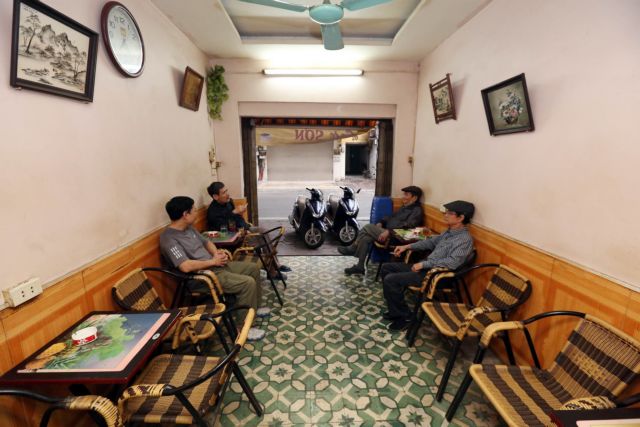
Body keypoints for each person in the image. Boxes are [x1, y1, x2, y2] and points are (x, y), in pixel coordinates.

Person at [160, 196, 268, 340]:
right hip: (202, 276)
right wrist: (213, 262)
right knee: (247, 283)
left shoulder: (189, 228)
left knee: (253, 268)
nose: (196, 212)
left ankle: (254, 308)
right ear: (185, 214)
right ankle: (243, 328)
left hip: (215, 266)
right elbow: (185, 266)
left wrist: (216, 253)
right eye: (193, 210)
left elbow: (206, 242)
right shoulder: (168, 239)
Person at [380, 200, 475, 331]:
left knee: (391, 280)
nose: (446, 214)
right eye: (446, 212)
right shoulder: (448, 232)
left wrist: (424, 264)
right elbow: (429, 242)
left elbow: (452, 262)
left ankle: (405, 317)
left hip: (438, 275)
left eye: (450, 213)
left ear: (461, 218)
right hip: (427, 268)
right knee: (387, 268)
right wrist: (406, 246)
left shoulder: (464, 240)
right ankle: (396, 310)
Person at [338, 185, 424, 275]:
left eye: (406, 195)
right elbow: (391, 217)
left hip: (396, 237)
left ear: (414, 198)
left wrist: (389, 232)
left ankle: (352, 248)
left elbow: (409, 226)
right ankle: (360, 267)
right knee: (366, 238)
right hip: (388, 232)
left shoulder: (417, 210)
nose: (403, 197)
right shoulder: (405, 207)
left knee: (367, 227)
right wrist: (381, 222)